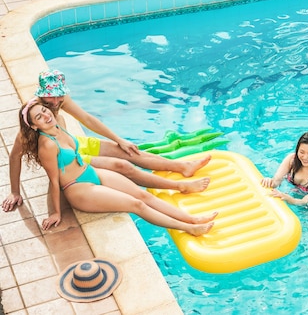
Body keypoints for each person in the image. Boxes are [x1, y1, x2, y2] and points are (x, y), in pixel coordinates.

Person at [2, 69, 211, 212]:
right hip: (68, 158)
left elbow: (87, 118)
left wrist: (119, 139)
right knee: (122, 165)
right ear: (41, 95)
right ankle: (178, 185)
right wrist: (14, 191)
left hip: (74, 144)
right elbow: (14, 156)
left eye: (59, 96)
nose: (56, 102)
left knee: (128, 150)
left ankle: (182, 167)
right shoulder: (33, 119)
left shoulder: (58, 100)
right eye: (51, 98)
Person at [19, 98, 217, 233]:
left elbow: (69, 108)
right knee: (136, 204)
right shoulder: (46, 145)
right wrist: (55, 212)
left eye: (44, 110)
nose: (46, 115)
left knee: (143, 194)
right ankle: (190, 228)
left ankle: (192, 219)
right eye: (38, 117)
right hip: (78, 189)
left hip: (91, 172)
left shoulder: (58, 124)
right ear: (34, 126)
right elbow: (54, 181)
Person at [260, 131, 308, 205]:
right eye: (301, 152)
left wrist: (290, 200)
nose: (305, 157)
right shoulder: (291, 160)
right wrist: (269, 181)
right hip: (293, 194)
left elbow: (305, 201)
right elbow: (277, 180)